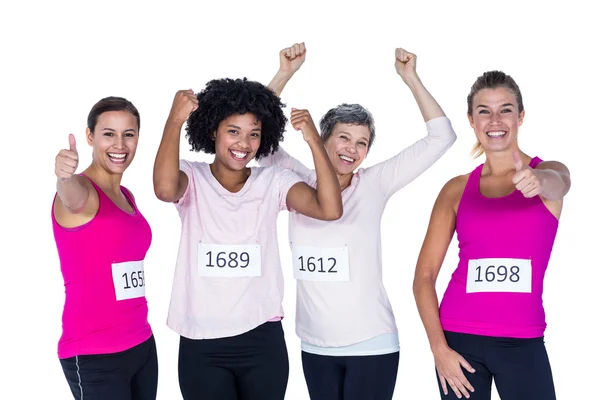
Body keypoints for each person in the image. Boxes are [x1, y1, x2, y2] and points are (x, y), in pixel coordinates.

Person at [262, 43, 457, 400]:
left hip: (372, 344)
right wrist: (284, 75)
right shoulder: (294, 180)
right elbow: (256, 135)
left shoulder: (375, 184)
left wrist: (411, 78)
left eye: (362, 143)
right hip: (315, 344)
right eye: (344, 138)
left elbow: (442, 137)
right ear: (323, 139)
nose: (352, 150)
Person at [153, 77, 343, 400]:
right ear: (213, 131)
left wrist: (313, 141)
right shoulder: (192, 178)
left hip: (262, 340)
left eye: (254, 134)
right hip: (202, 342)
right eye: (233, 131)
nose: (244, 143)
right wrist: (174, 120)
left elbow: (329, 208)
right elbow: (164, 189)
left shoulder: (274, 181)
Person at [413, 70, 571, 400]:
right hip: (458, 341)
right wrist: (439, 350)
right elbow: (424, 277)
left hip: (522, 340)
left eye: (506, 109)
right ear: (471, 120)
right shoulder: (455, 189)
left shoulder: (548, 173)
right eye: (484, 110)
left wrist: (539, 181)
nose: (495, 119)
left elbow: (561, 181)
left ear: (521, 116)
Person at [52, 97, 158, 400]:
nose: (120, 144)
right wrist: (64, 177)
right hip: (95, 354)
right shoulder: (82, 189)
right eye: (108, 133)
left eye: (129, 134)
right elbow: (72, 198)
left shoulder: (126, 195)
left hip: (141, 344)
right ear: (90, 137)